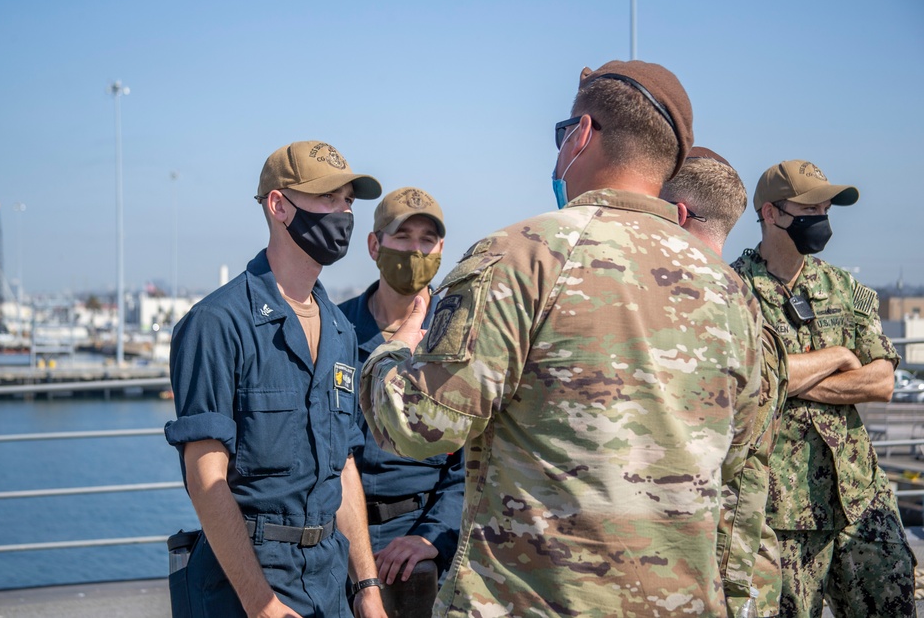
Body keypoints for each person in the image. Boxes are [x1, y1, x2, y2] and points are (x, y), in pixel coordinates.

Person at [358, 61, 762, 616]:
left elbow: (420, 424)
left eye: (562, 134)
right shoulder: (732, 293)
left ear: (582, 134)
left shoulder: (521, 256)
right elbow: (742, 466)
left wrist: (392, 353)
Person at [164, 141, 387, 618]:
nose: (343, 213)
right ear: (279, 205)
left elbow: (342, 467)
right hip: (244, 582)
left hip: (328, 581)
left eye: (348, 201)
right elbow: (205, 477)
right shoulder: (217, 324)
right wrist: (259, 602)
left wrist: (365, 586)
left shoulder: (341, 330)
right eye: (328, 199)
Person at [731, 160, 916, 618]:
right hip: (782, 514)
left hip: (860, 498)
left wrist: (787, 380)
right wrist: (836, 356)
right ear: (770, 214)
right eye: (810, 207)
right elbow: (748, 383)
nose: (822, 216)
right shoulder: (733, 292)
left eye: (826, 206)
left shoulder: (843, 287)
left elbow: (882, 381)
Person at [660, 148, 790, 617]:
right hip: (724, 568)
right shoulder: (741, 309)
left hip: (718, 573)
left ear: (677, 215)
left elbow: (736, 472)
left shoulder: (705, 315)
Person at [337, 187, 465, 607]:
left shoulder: (458, 339)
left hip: (420, 538)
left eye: (426, 240)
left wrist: (430, 536)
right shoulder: (337, 331)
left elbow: (473, 463)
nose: (415, 250)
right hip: (338, 535)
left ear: (441, 248)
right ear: (375, 245)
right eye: (402, 236)